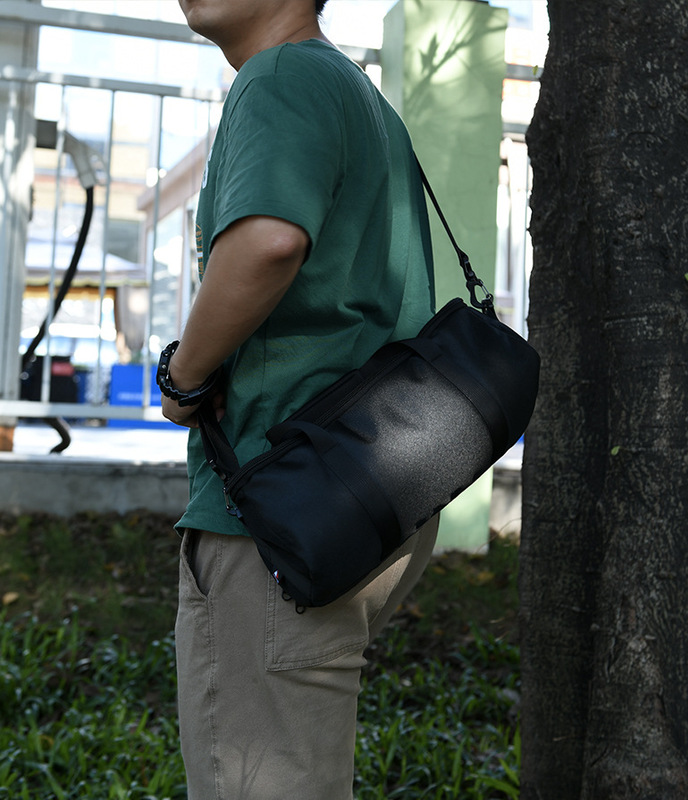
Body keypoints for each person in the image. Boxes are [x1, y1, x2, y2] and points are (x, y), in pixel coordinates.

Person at [160, 0, 439, 797]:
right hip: (367, 489)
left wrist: (184, 375)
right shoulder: (358, 95)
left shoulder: (280, 74)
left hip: (278, 505)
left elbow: (269, 240)